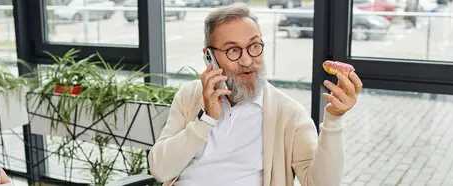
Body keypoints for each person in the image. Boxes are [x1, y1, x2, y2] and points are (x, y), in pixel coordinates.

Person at [148, 2, 363, 186]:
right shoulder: (190, 95)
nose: (247, 60)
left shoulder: (288, 113)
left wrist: (334, 119)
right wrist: (206, 120)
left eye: (254, 46)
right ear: (209, 57)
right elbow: (161, 171)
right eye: (233, 50)